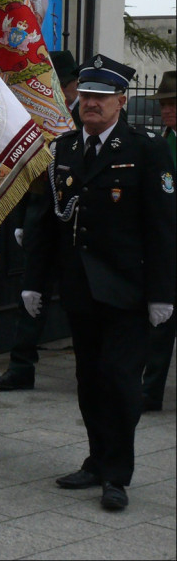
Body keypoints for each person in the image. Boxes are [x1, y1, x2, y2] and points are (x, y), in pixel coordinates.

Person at [23, 54, 175, 511]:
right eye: (86, 95)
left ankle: (117, 473)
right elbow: (48, 222)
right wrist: (33, 282)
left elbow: (163, 226)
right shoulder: (65, 149)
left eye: (101, 97)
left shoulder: (144, 149)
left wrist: (163, 294)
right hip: (81, 289)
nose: (90, 103)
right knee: (88, 379)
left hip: (128, 290)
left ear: (121, 101)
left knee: (120, 380)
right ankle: (95, 460)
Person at [0, 48, 81, 391]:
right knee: (30, 292)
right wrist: (23, 219)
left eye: (61, 83)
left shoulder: (85, 116)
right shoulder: (41, 117)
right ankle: (21, 365)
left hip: (74, 222)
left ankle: (89, 367)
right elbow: (31, 169)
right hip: (42, 215)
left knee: (78, 295)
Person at [142, 69, 176, 412]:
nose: (167, 109)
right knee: (160, 323)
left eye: (173, 104)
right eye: (164, 104)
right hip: (166, 246)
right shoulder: (156, 143)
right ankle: (149, 392)